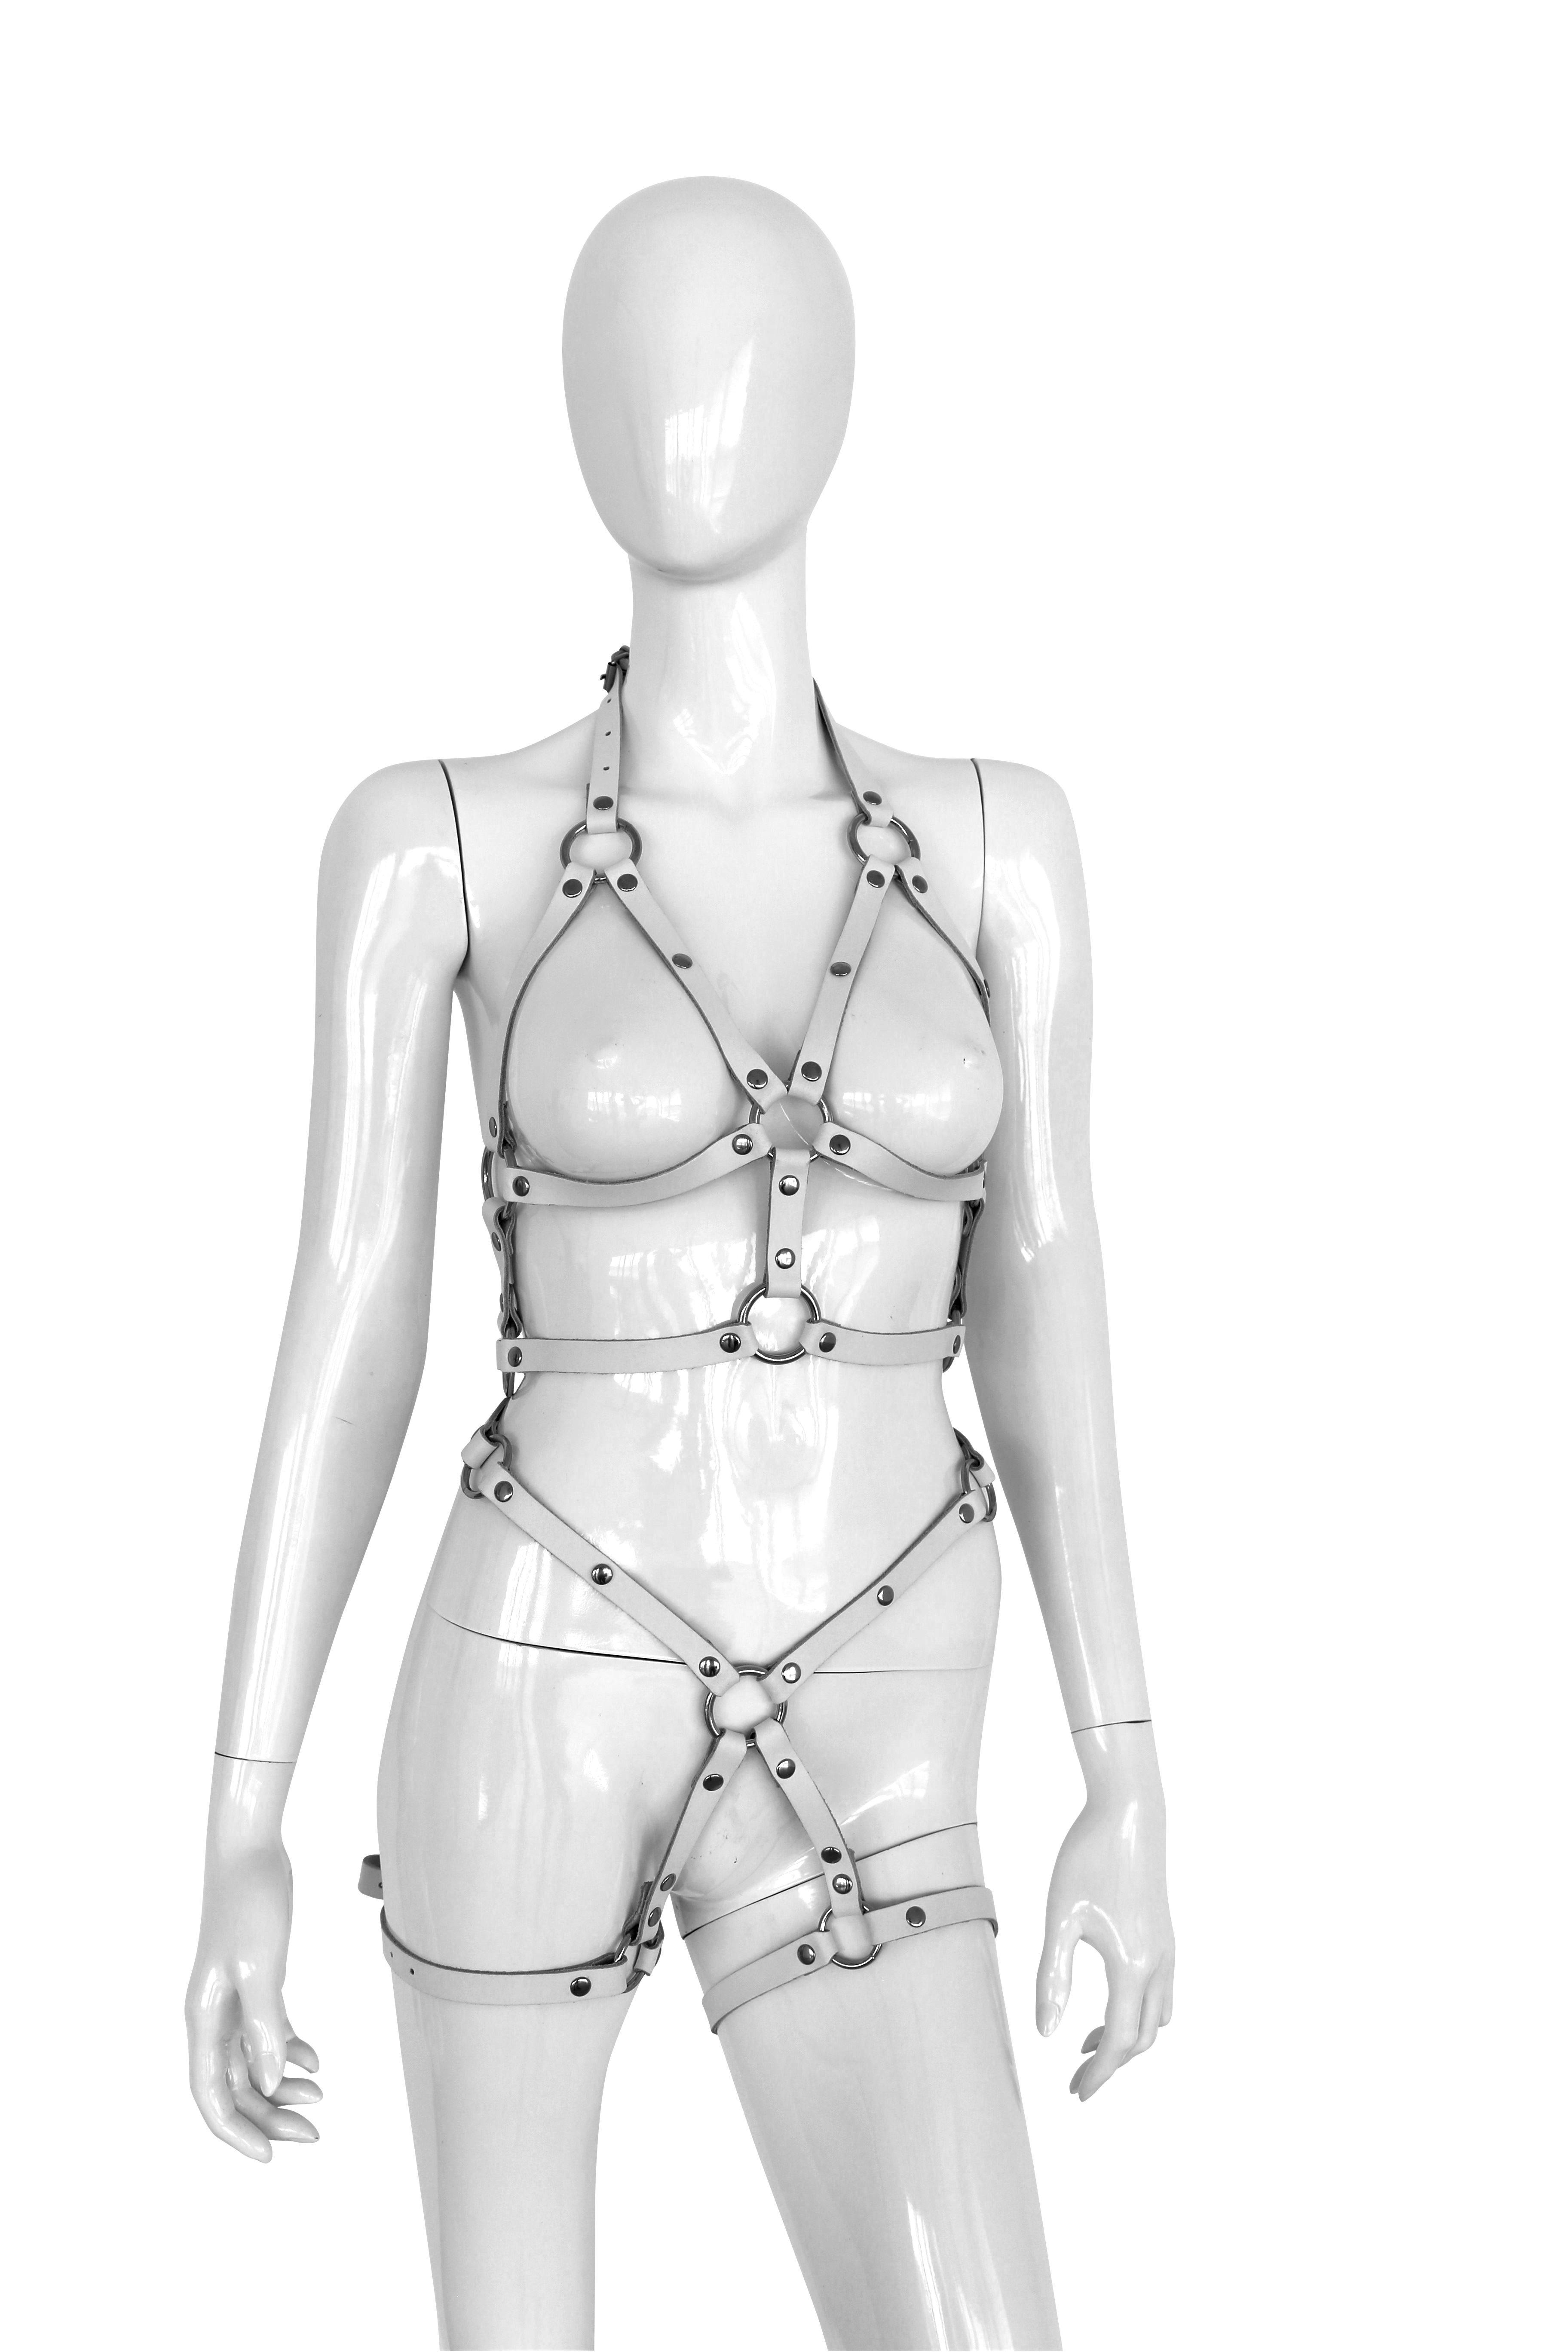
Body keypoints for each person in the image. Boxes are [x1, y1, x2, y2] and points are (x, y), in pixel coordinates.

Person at [186, 175, 1174, 2352]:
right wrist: (241, 1812)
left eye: (731, 356)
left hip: (891, 1710)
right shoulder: (437, 841)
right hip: (538, 1677)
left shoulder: (1001, 843)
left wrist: (1127, 1761)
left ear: (834, 404)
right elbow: (348, 1320)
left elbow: (1053, 1304)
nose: (677, 410)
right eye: (624, 360)